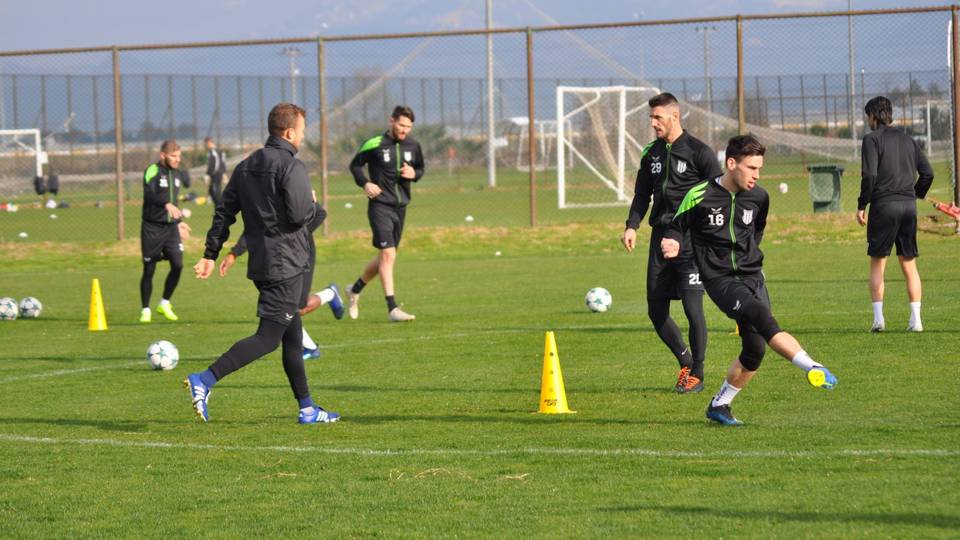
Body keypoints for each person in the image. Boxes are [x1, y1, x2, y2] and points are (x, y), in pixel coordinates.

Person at [662, 134, 837, 426]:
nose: (757, 175)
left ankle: (720, 405)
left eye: (760, 169)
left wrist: (750, 260)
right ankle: (811, 365)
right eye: (751, 168)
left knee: (755, 349)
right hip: (721, 280)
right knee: (763, 317)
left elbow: (756, 232)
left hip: (753, 277)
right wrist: (672, 241)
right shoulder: (700, 194)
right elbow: (676, 226)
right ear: (731, 164)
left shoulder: (759, 197)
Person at [186, 103, 339, 425]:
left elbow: (224, 212)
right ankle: (205, 379)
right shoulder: (291, 166)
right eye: (302, 130)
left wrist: (210, 254)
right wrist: (311, 203)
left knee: (292, 340)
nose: (303, 136)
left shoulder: (245, 166)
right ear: (289, 132)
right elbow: (300, 216)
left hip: (263, 263)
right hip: (286, 265)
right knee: (268, 338)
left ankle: (307, 409)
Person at [621, 92, 721, 394]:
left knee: (693, 308)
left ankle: (697, 373)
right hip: (659, 239)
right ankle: (685, 361)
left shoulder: (699, 152)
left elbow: (718, 194)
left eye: (658, 117)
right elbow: (642, 194)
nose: (653, 123)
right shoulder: (651, 153)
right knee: (656, 310)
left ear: (675, 116)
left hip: (691, 240)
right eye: (651, 118)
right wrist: (632, 225)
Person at [856, 96, 934, 333]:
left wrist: (862, 204)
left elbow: (870, 175)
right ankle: (916, 321)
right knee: (909, 264)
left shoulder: (871, 139)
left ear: (873, 115)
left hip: (883, 207)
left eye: (867, 116)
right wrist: (915, 194)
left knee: (878, 263)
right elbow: (928, 173)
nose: (867, 120)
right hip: (908, 207)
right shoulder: (908, 139)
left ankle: (879, 320)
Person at [219, 224, 345, 361]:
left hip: (299, 254)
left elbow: (319, 214)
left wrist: (295, 234)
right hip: (276, 260)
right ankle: (311, 344)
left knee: (294, 308)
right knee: (288, 308)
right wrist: (234, 253)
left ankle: (329, 296)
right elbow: (253, 228)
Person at [345, 105, 424, 322]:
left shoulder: (413, 145)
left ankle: (354, 289)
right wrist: (366, 183)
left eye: (408, 127)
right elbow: (355, 166)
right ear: (391, 121)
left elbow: (420, 169)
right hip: (379, 206)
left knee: (386, 256)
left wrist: (414, 173)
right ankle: (392, 309)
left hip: (401, 208)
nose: (404, 130)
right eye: (401, 125)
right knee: (388, 255)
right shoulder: (374, 143)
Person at [139, 139, 190, 323]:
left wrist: (179, 222)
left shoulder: (177, 174)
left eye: (179, 156)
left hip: (171, 228)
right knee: (149, 269)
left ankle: (164, 302)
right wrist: (165, 204)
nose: (177, 159)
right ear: (163, 155)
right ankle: (145, 309)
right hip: (152, 227)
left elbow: (174, 203)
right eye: (173, 156)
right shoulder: (152, 171)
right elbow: (149, 194)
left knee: (178, 264)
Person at [205, 137, 227, 207]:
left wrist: (210, 173)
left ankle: (220, 207)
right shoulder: (214, 151)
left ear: (209, 143)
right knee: (212, 191)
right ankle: (218, 207)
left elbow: (217, 163)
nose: (205, 146)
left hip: (216, 174)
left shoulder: (214, 152)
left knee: (216, 192)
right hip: (215, 174)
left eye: (206, 144)